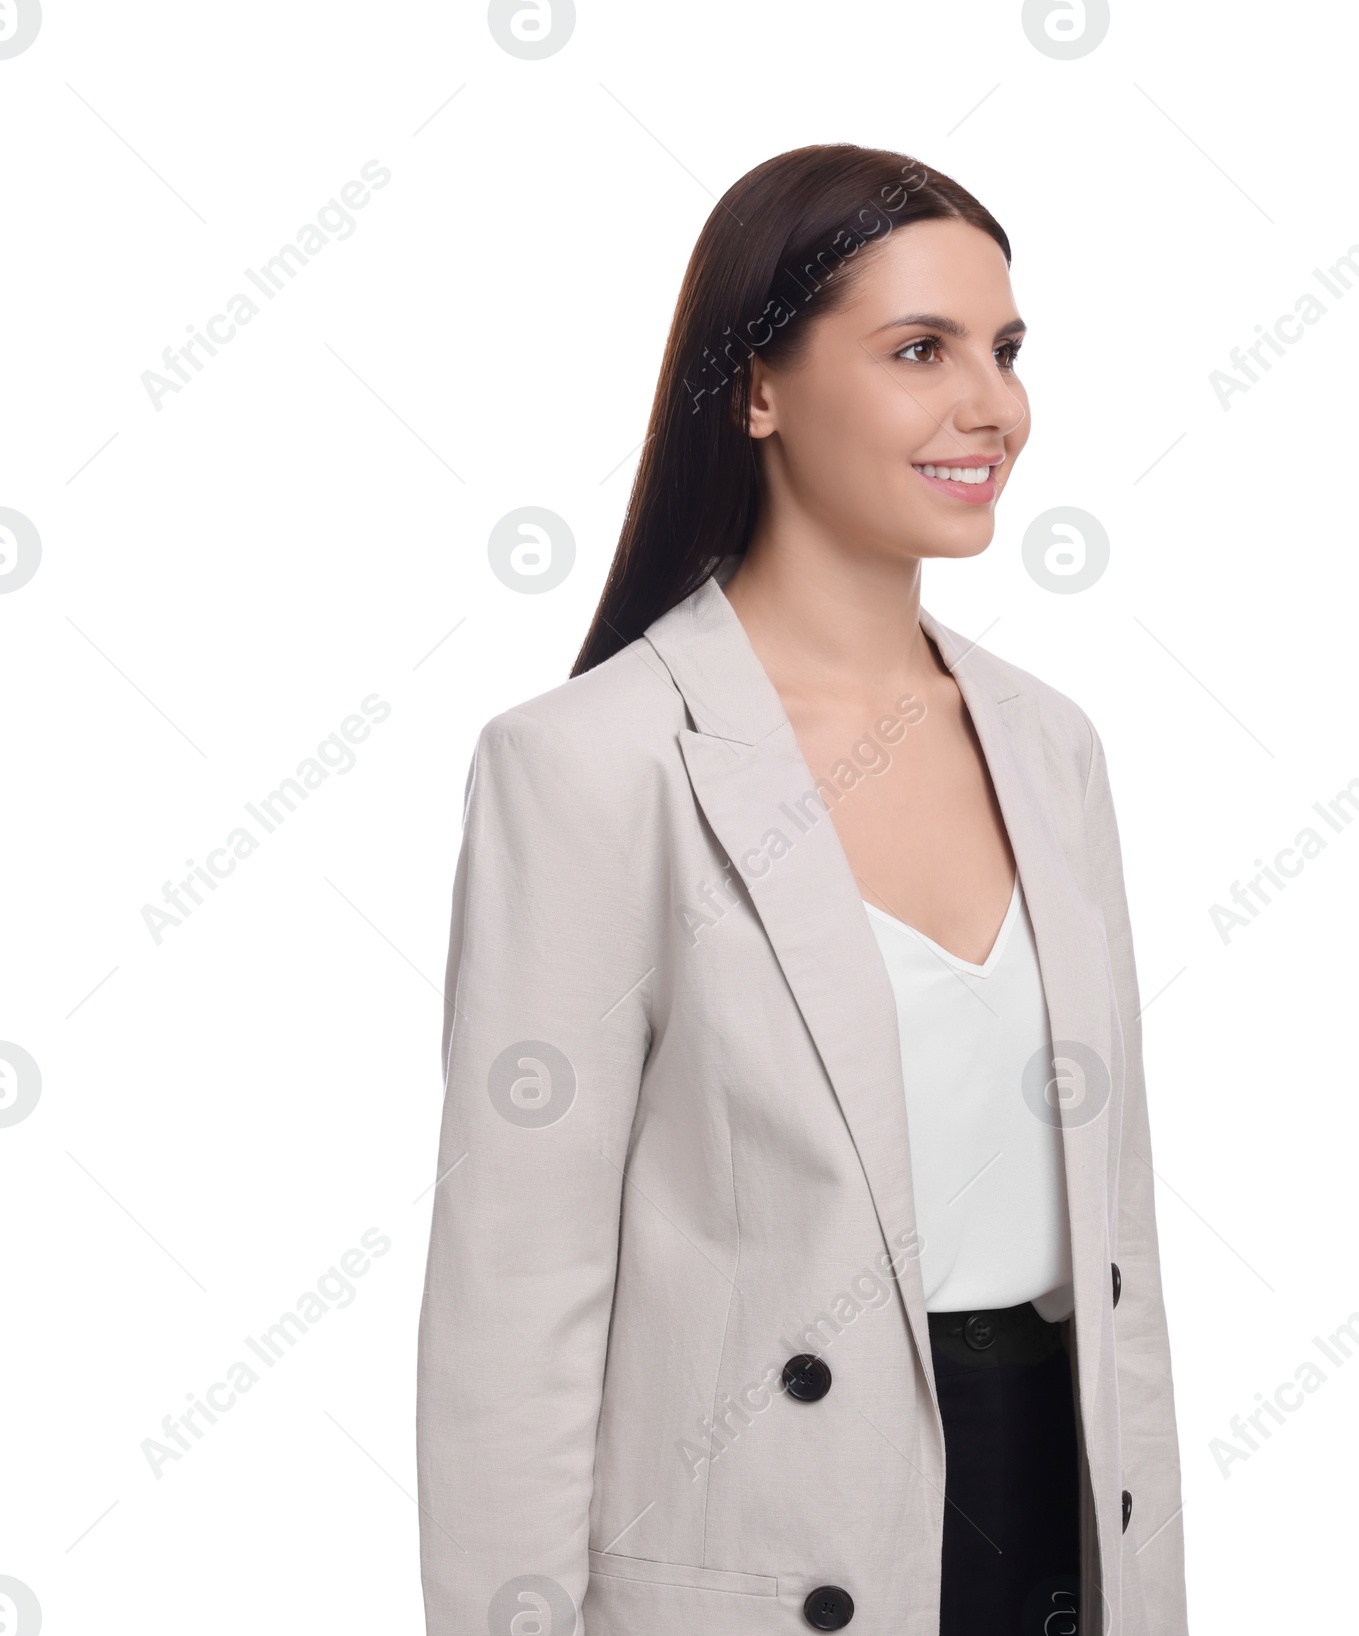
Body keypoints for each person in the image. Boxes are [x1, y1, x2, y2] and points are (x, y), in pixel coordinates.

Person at [417, 143, 1187, 1636]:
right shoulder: (590, 765)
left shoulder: (1051, 748)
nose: (993, 408)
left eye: (1006, 352)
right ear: (757, 389)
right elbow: (515, 1309)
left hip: (1060, 1521)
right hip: (768, 1559)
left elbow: (1122, 1257)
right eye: (920, 351)